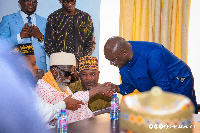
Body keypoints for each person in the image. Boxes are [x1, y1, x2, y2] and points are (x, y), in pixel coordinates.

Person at [104, 36, 198, 114]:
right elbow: (129, 86)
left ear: (124, 53)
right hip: (160, 86)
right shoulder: (122, 60)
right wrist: (116, 88)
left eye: (112, 60)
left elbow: (165, 91)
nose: (111, 64)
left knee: (180, 116)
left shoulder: (152, 55)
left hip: (178, 82)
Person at [11, 43, 84, 128]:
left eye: (71, 74)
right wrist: (64, 104)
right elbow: (43, 115)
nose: (37, 67)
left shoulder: (63, 86)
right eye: (33, 64)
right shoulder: (42, 88)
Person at [35, 52, 113, 128]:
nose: (69, 78)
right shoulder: (42, 88)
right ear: (55, 72)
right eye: (67, 74)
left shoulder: (61, 85)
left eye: (71, 74)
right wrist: (97, 90)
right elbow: (67, 102)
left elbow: (76, 106)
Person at [0, 40, 48, 133]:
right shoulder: (12, 91)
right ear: (22, 66)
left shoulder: (29, 88)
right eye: (33, 64)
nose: (37, 68)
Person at [0, 0, 47, 72]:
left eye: (34, 1)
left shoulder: (44, 21)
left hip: (40, 69)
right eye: (27, 0)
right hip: (17, 70)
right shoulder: (8, 19)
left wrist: (40, 37)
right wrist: (19, 37)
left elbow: (51, 47)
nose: (31, 4)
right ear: (20, 2)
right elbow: (2, 45)